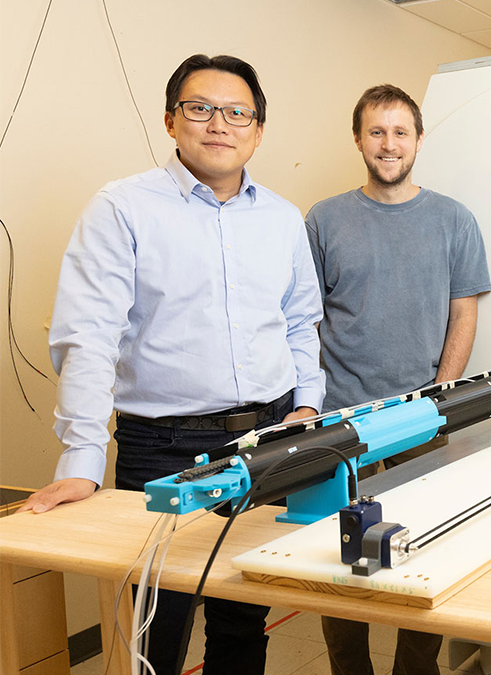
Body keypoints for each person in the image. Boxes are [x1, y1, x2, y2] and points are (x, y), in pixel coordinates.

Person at [19, 54, 324, 674]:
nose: (219, 124)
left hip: (264, 439)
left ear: (258, 131)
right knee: (155, 626)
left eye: (237, 112)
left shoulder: (284, 219)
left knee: (244, 620)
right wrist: (81, 460)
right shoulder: (123, 208)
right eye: (200, 108)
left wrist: (306, 406)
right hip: (163, 448)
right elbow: (89, 336)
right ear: (170, 120)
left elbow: (299, 324)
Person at [306, 84, 490, 675]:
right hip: (340, 419)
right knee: (339, 565)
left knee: (426, 553)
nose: (389, 144)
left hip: (423, 418)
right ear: (358, 138)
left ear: (418, 139)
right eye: (377, 132)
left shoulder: (453, 219)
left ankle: (416, 669)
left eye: (400, 132)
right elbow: (302, 319)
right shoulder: (325, 219)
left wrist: (439, 394)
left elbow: (464, 312)